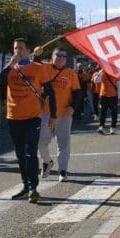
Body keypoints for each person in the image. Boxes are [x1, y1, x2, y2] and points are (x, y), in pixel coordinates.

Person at [0, 38, 56, 204]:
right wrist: (9, 65)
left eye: (20, 48)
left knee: (30, 152)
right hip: (14, 117)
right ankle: (25, 185)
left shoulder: (38, 68)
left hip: (32, 117)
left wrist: (53, 115)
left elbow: (50, 91)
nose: (17, 51)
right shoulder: (10, 69)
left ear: (28, 51)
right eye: (15, 48)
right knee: (20, 154)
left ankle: (33, 188)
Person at [40, 48, 81, 181]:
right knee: (41, 141)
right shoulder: (44, 68)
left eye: (64, 56)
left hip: (64, 114)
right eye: (58, 55)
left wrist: (72, 107)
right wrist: (36, 55)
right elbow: (31, 66)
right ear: (52, 56)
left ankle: (62, 171)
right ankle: (47, 161)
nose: (61, 58)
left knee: (63, 143)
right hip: (46, 112)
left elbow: (77, 92)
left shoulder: (70, 73)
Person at [93, 65, 119, 135]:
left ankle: (112, 128)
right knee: (102, 112)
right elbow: (96, 81)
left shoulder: (116, 72)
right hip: (104, 95)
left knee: (114, 113)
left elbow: (119, 85)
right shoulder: (102, 72)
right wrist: (101, 72)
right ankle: (101, 127)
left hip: (113, 96)